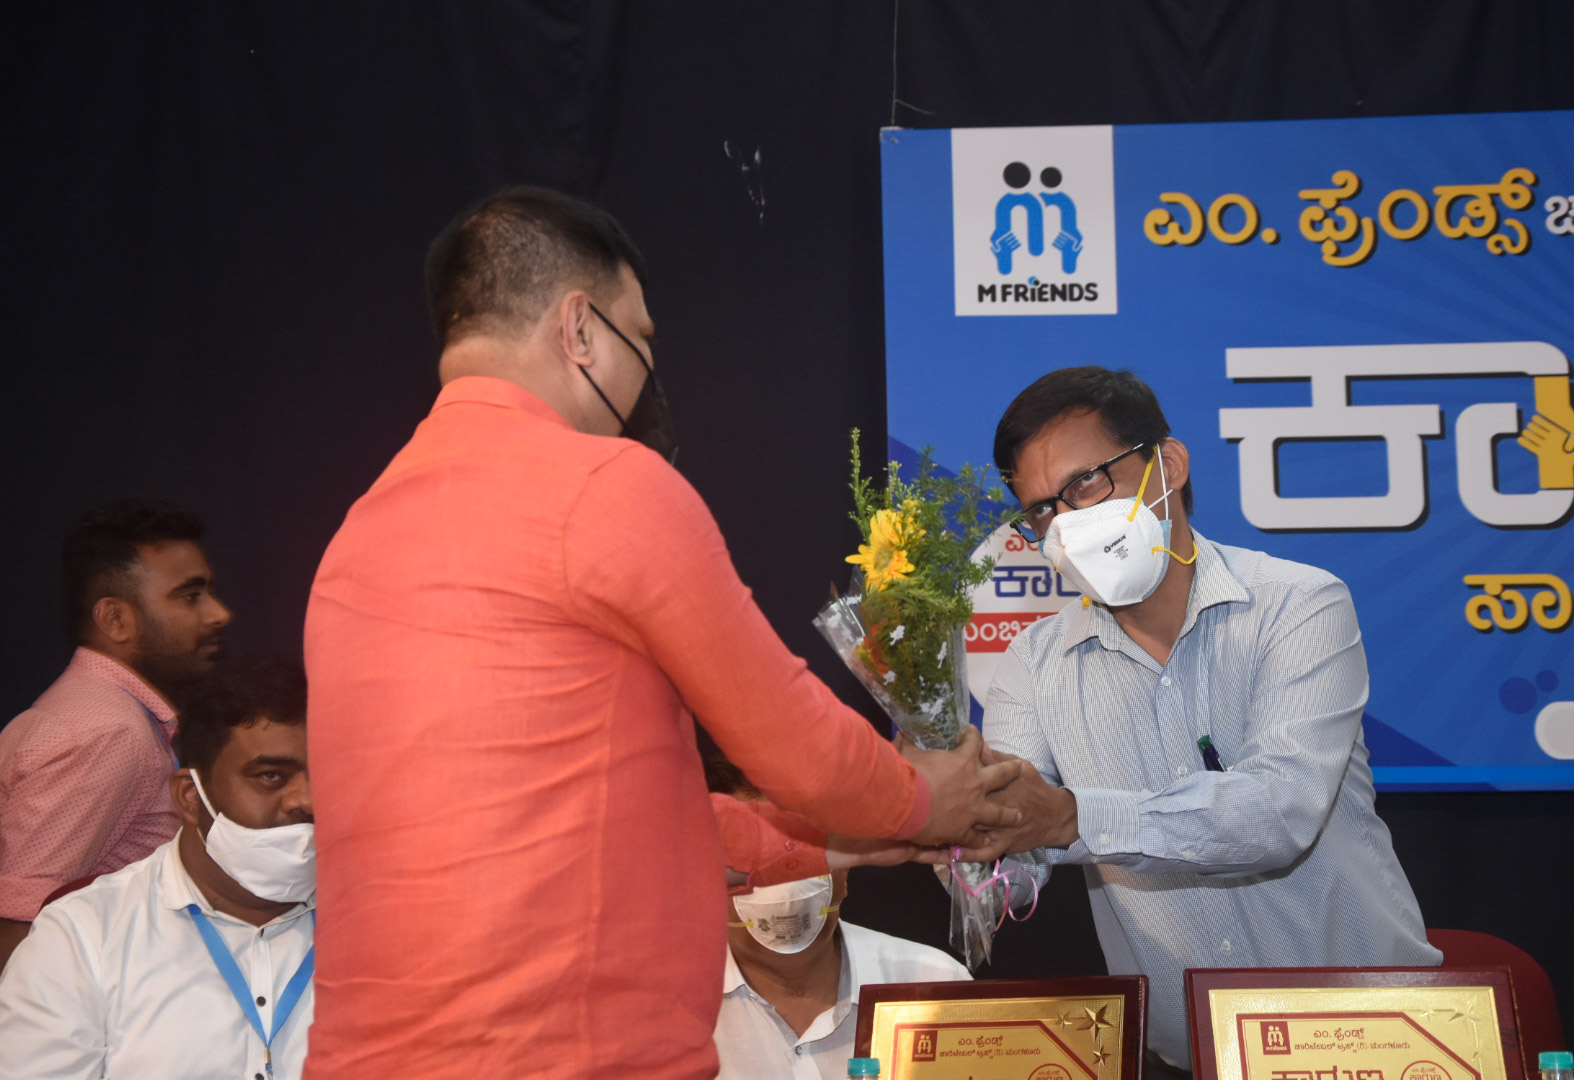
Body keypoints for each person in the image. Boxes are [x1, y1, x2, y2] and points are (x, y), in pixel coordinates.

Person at [302, 186, 1020, 1080]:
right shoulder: (606, 487)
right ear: (580, 329)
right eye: (641, 338)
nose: (646, 372)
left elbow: (577, 817)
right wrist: (924, 800)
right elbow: (795, 745)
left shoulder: (355, 541)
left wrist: (842, 842)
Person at [953, 366, 1438, 1075]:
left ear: (1168, 466)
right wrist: (961, 834)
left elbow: (1279, 812)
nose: (1067, 523)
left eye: (1085, 483)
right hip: (1186, 1058)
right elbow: (1010, 876)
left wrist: (1070, 817)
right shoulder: (1032, 663)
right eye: (1043, 510)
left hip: (1370, 1039)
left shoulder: (1298, 605)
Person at [0, 656, 315, 1080]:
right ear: (190, 796)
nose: (306, 801)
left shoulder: (378, 926)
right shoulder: (84, 938)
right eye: (271, 776)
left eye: (325, 775)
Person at [0, 498, 232, 971]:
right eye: (190, 596)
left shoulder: (108, 714)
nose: (219, 614)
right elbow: (20, 931)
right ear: (115, 620)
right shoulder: (108, 733)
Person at [707, 761, 971, 1080]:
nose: (784, 880)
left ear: (845, 870)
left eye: (802, 849)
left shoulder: (937, 988)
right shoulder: (668, 1006)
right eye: (755, 850)